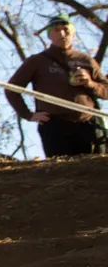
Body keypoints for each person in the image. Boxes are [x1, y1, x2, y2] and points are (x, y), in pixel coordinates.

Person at [6, 13, 108, 158]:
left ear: (73, 33)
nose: (62, 33)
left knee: (91, 173)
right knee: (60, 173)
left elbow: (106, 91)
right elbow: (11, 89)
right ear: (49, 35)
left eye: (66, 29)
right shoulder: (37, 61)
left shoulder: (86, 60)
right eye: (56, 30)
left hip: (87, 124)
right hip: (55, 126)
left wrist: (90, 83)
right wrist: (28, 114)